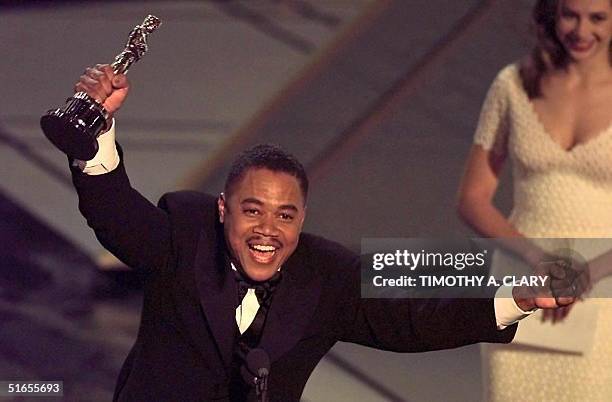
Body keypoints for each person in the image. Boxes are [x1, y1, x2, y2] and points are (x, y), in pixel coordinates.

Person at [66, 62, 573, 402]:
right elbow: (119, 220)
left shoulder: (325, 275)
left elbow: (414, 322)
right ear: (222, 209)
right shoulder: (187, 233)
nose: (268, 230)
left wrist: (517, 299)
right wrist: (96, 131)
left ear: (302, 219)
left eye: (285, 215)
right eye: (253, 211)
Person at [457, 0, 612, 400]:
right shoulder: (513, 84)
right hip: (523, 283)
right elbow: (473, 198)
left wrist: (586, 275)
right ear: (552, 14)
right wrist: (539, 260)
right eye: (570, 15)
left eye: (597, 18)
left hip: (603, 288)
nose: (581, 31)